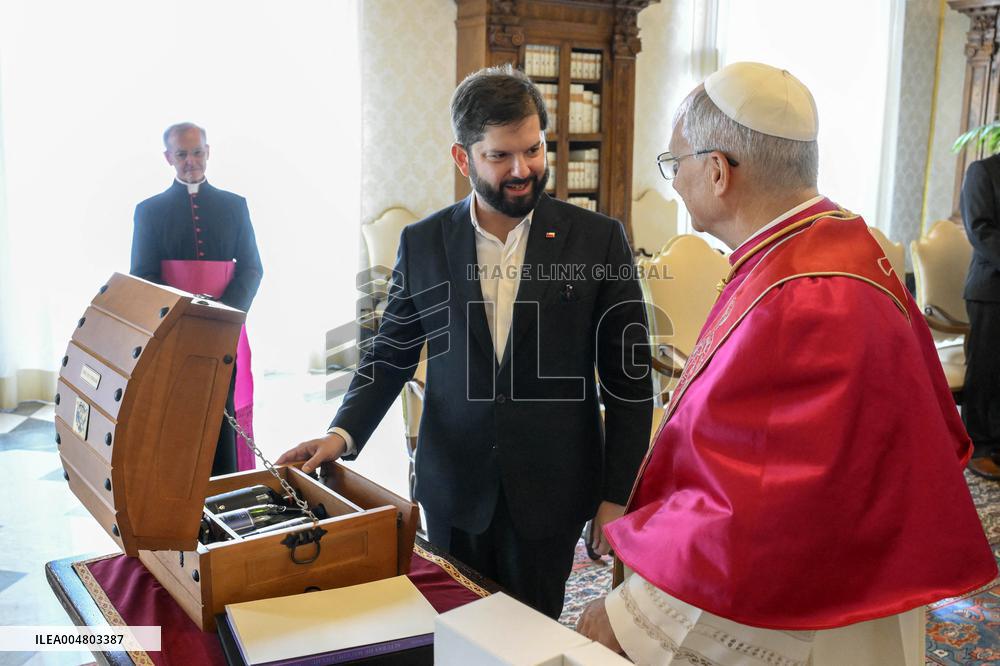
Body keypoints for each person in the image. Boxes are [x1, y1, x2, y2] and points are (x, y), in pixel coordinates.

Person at [577, 62, 996, 664]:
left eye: (676, 164)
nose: (673, 182)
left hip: (802, 605)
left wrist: (628, 611)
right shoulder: (842, 248)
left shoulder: (804, 294)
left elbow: (756, 502)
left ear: (718, 172)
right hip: (859, 569)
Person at [276, 65, 653, 619]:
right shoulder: (424, 242)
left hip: (554, 485)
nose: (522, 170)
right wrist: (341, 433)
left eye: (533, 150)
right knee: (459, 632)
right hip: (453, 485)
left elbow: (628, 379)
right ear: (463, 158)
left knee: (534, 638)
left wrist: (616, 495)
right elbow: (391, 353)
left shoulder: (597, 239)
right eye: (500, 156)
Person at [131, 122, 263, 475]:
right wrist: (186, 314)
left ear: (208, 151)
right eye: (182, 154)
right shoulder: (149, 211)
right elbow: (143, 274)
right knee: (177, 408)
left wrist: (224, 313)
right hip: (175, 327)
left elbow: (252, 268)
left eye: (197, 152)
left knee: (223, 405)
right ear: (168, 158)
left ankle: (225, 481)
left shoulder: (234, 206)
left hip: (226, 325)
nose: (191, 161)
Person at [959, 154, 1000, 480]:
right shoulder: (982, 171)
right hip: (990, 290)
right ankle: (979, 447)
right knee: (986, 372)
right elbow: (980, 230)